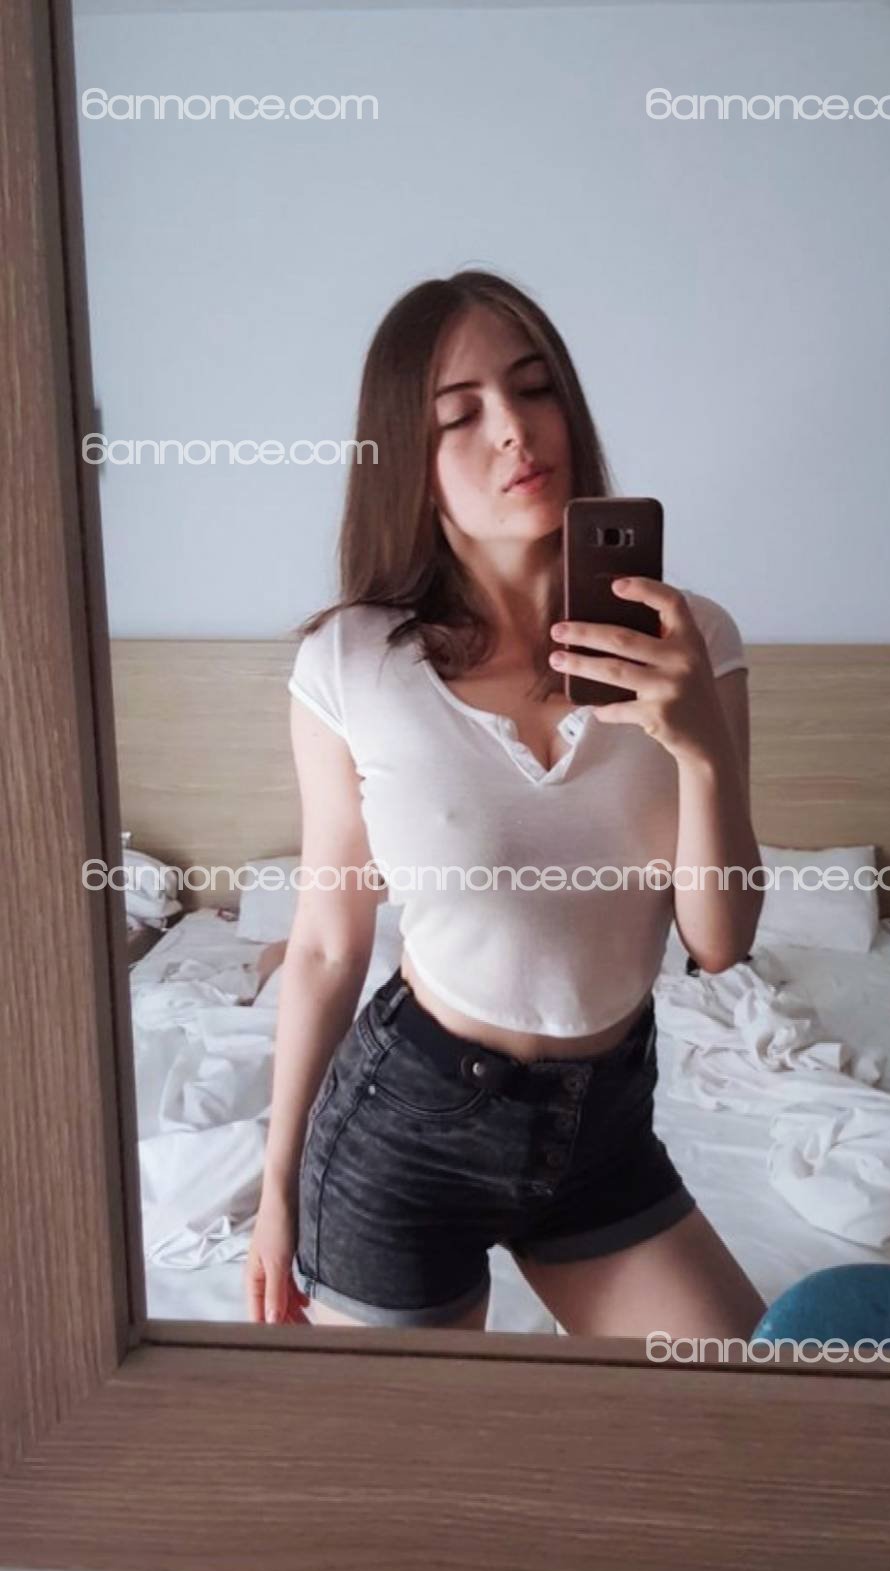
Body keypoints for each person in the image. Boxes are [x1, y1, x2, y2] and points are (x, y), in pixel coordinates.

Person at [245, 269, 766, 1338]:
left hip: (603, 1128)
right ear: (409, 460)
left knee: (754, 1412)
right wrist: (274, 1188)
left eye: (534, 390)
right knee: (421, 1452)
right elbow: (329, 945)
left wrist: (700, 749)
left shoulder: (691, 641)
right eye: (460, 414)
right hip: (407, 1128)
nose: (514, 431)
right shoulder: (350, 664)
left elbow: (720, 944)